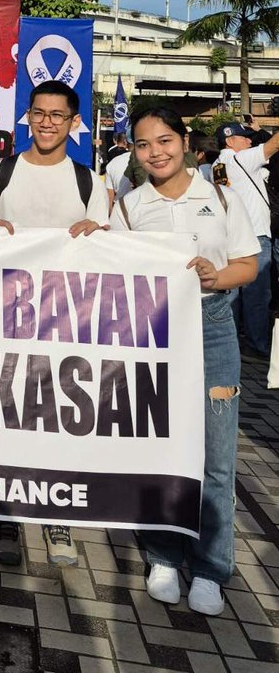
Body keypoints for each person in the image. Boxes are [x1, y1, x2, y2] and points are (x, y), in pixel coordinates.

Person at [111, 107, 258, 616]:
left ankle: (213, 568)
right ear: (134, 150)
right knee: (157, 451)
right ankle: (163, 557)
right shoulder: (129, 206)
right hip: (152, 334)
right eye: (145, 144)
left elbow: (248, 264)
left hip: (212, 330)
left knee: (215, 460)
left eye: (165, 140)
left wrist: (216, 278)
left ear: (186, 141)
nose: (156, 152)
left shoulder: (221, 197)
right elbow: (116, 272)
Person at [0, 79, 109, 569]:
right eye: (39, 112)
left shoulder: (88, 180)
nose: (47, 122)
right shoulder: (1, 172)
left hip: (66, 319)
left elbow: (107, 245)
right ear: (27, 117)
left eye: (57, 114)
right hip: (7, 315)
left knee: (58, 416)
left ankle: (56, 516)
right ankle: (8, 513)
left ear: (74, 122)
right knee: (8, 410)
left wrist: (96, 233)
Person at [215, 121, 279, 358]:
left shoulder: (217, 164)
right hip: (254, 238)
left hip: (230, 238)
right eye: (245, 137)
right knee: (257, 296)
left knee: (231, 295)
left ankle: (228, 343)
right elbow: (274, 144)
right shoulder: (240, 160)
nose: (250, 141)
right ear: (230, 141)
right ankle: (257, 344)